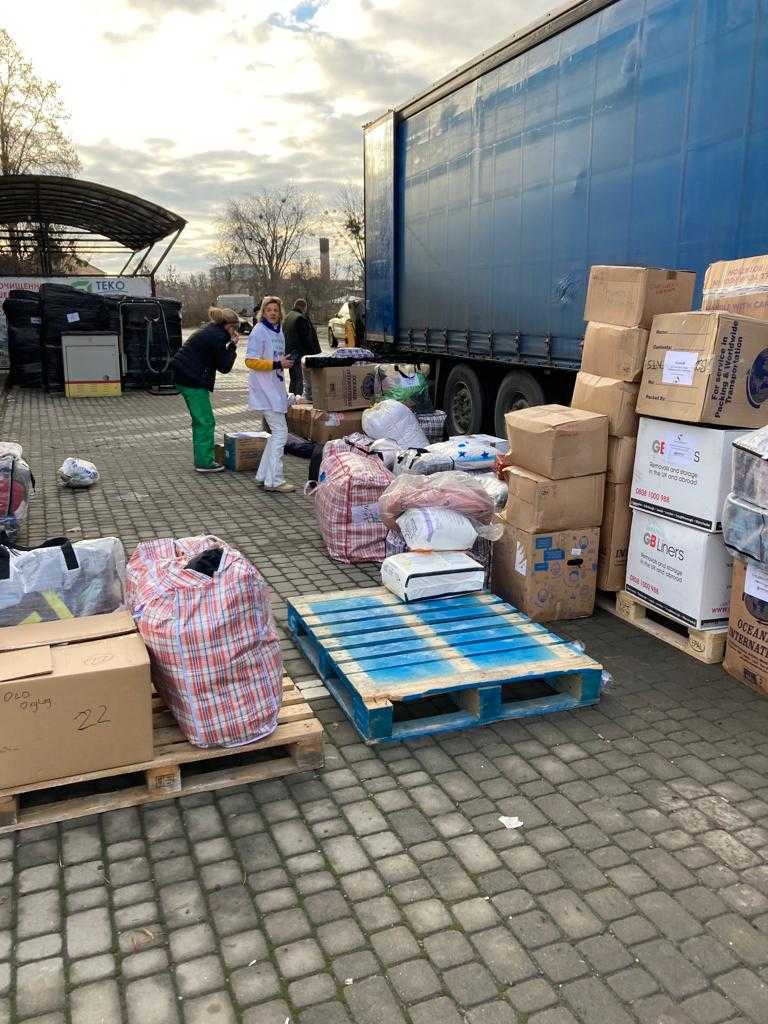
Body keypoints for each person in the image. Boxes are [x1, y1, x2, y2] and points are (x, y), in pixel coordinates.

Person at [172, 306, 239, 473]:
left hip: (184, 375)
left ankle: (202, 458)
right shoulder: (218, 336)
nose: (235, 331)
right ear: (229, 326)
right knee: (205, 421)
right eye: (235, 328)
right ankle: (204, 462)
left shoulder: (210, 330)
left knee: (200, 420)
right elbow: (224, 367)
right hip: (192, 380)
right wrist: (232, 346)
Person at [244, 296, 295, 493]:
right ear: (263, 313)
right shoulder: (259, 331)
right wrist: (276, 364)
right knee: (281, 433)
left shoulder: (278, 331)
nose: (273, 313)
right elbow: (250, 361)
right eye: (269, 310)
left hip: (275, 388)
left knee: (276, 434)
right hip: (264, 390)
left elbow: (276, 358)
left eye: (276, 310)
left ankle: (264, 475)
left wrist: (283, 362)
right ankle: (274, 480)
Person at [282, 298, 321, 396]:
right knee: (300, 380)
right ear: (304, 307)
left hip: (289, 354)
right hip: (299, 354)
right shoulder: (301, 318)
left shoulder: (287, 317)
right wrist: (315, 355)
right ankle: (298, 400)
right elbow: (307, 339)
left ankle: (292, 400)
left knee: (294, 380)